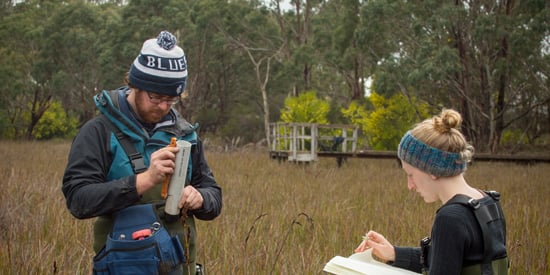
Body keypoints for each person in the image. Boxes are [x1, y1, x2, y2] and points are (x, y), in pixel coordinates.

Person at [62, 31, 222, 274]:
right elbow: (78, 200)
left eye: (172, 99)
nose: (162, 106)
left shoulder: (186, 134)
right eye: (155, 96)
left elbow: (214, 195)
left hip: (180, 267)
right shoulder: (99, 131)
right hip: (121, 267)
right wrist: (144, 180)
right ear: (134, 84)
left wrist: (200, 198)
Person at [355, 109, 508, 275]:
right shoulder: (488, 202)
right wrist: (394, 253)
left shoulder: (450, 217)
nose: (410, 186)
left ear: (432, 170)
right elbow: (448, 258)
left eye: (411, 175)